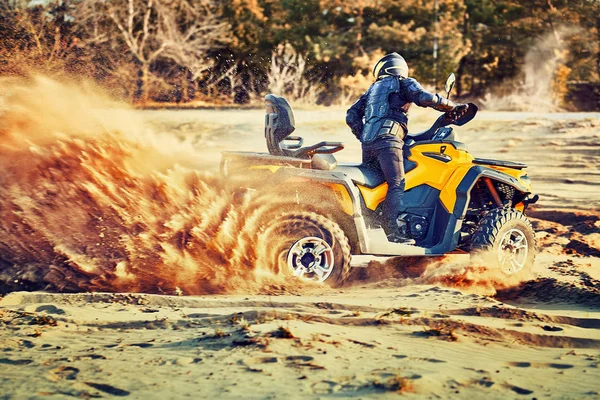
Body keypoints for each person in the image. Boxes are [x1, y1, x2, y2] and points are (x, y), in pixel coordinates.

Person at [346, 52, 467, 244]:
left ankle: (372, 224)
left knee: (375, 185)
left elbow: (351, 115)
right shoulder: (403, 82)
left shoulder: (371, 91)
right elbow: (423, 97)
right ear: (400, 67)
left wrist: (365, 135)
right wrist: (450, 106)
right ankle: (392, 232)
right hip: (389, 142)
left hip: (369, 145)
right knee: (397, 183)